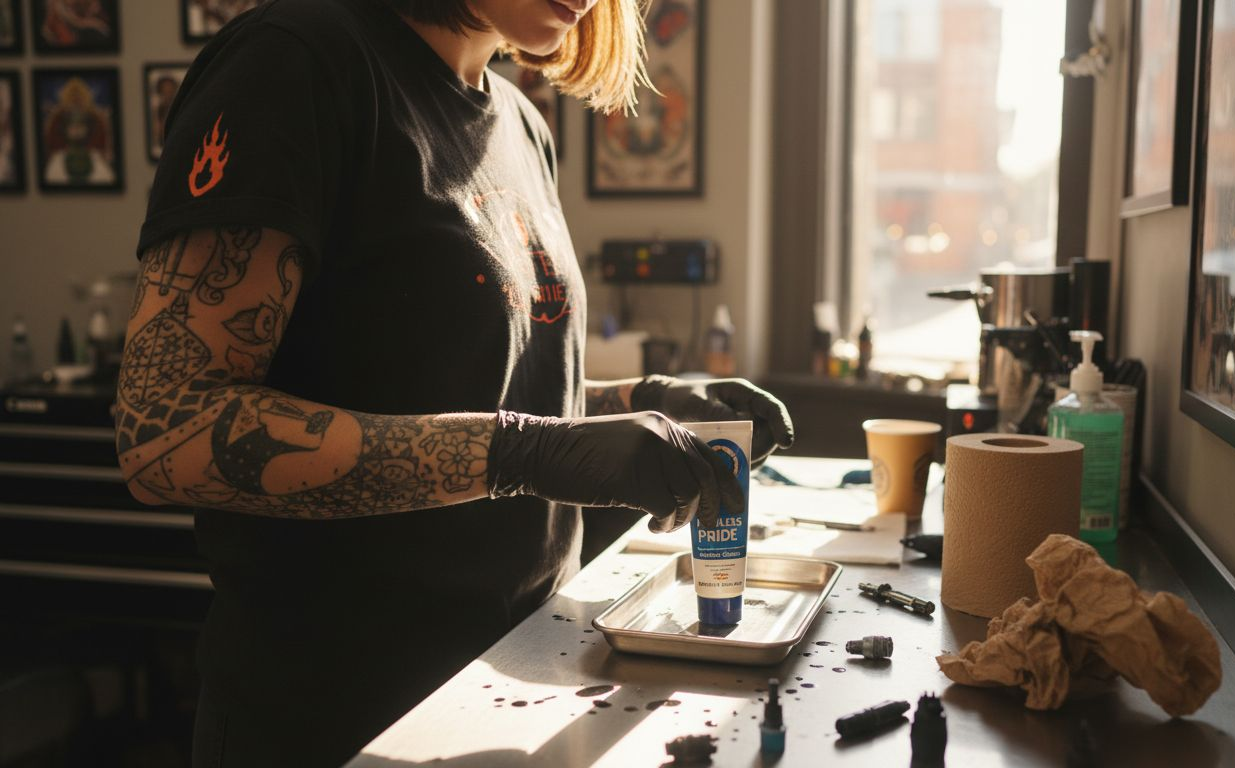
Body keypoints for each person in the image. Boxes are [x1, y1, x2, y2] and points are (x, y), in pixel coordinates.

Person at [113, 1, 794, 766]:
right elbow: (165, 432)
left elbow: (478, 385)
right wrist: (522, 454)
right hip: (337, 716)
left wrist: (645, 400)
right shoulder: (294, 62)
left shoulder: (521, 122)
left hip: (523, 680)